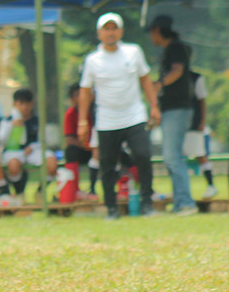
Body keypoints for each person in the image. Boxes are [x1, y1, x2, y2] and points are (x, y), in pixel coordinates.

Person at [78, 12, 160, 220]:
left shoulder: (133, 52)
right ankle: (112, 208)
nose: (110, 33)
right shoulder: (92, 60)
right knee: (106, 163)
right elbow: (85, 92)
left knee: (142, 155)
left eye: (114, 28)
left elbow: (145, 80)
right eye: (106, 29)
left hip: (134, 115)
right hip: (107, 119)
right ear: (99, 33)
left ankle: (147, 203)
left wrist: (154, 106)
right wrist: (82, 121)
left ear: (121, 31)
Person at [149, 14, 198, 215]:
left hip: (177, 108)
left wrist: (159, 84)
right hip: (171, 109)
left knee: (172, 156)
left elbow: (177, 70)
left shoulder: (176, 47)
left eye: (152, 32)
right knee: (171, 157)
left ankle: (186, 202)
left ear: (159, 30)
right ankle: (180, 202)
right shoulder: (170, 49)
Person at [0, 88, 58, 201]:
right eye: (21, 103)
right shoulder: (6, 121)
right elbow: (1, 141)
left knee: (51, 162)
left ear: (32, 104)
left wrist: (33, 147)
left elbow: (45, 140)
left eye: (27, 103)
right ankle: (19, 192)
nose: (24, 107)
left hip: (33, 151)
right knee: (14, 165)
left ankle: (40, 191)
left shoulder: (37, 121)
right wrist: (12, 126)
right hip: (13, 152)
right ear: (14, 104)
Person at [61, 83, 99, 203]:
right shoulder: (71, 113)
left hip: (96, 149)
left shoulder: (96, 111)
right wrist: (84, 145)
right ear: (72, 99)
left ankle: (94, 189)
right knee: (70, 151)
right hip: (82, 149)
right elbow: (69, 138)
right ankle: (74, 189)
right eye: (78, 95)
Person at [184, 70, 218, 200]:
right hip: (179, 125)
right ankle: (180, 189)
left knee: (200, 155)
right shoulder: (167, 76)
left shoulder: (196, 78)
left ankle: (211, 185)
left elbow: (202, 101)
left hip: (193, 124)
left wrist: (201, 121)